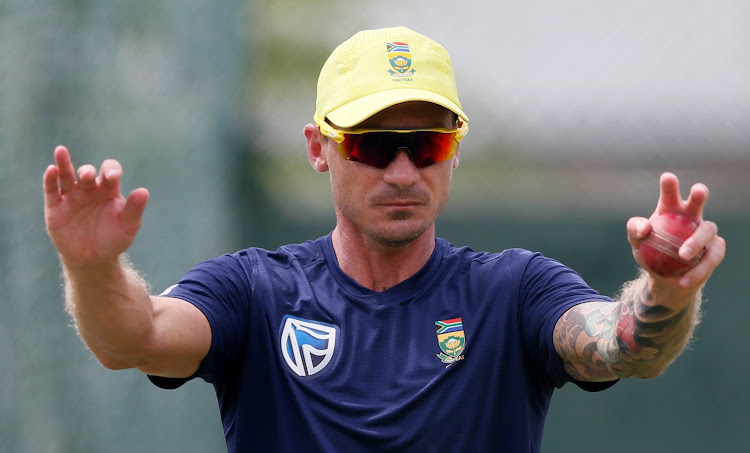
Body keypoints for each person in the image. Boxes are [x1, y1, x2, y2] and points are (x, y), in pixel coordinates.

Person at [43, 26, 725, 452]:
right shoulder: (255, 289)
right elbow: (132, 338)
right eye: (373, 144)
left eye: (427, 143)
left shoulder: (513, 290)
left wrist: (666, 287)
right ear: (319, 147)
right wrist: (92, 264)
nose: (403, 171)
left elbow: (622, 344)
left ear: (455, 149)